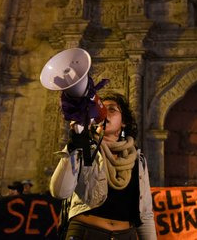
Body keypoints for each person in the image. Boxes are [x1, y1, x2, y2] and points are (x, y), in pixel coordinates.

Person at [50, 92, 156, 240]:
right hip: (86, 233)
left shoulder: (138, 160)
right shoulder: (83, 148)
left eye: (111, 109)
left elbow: (145, 214)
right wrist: (74, 145)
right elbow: (59, 191)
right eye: (98, 109)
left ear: (123, 121)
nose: (103, 113)